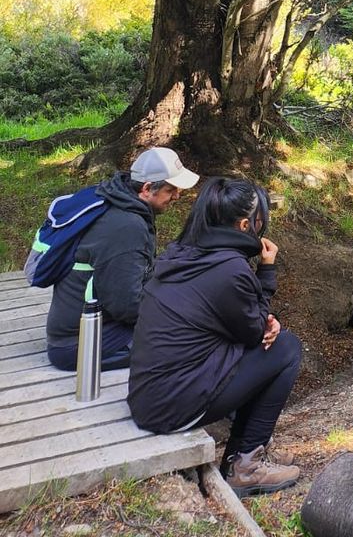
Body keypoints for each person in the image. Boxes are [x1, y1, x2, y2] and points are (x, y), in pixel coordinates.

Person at [127, 177, 302, 498]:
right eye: (260, 220)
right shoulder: (230, 268)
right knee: (286, 348)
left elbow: (232, 319)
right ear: (245, 224)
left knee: (267, 347)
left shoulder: (182, 252)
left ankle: (248, 451)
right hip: (173, 406)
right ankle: (245, 464)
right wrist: (266, 272)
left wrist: (261, 319)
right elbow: (253, 333)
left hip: (148, 397)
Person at [45, 147, 199, 371]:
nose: (177, 196)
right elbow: (127, 306)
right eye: (170, 190)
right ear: (147, 188)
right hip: (79, 344)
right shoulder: (126, 227)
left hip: (80, 329)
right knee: (191, 340)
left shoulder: (117, 199)